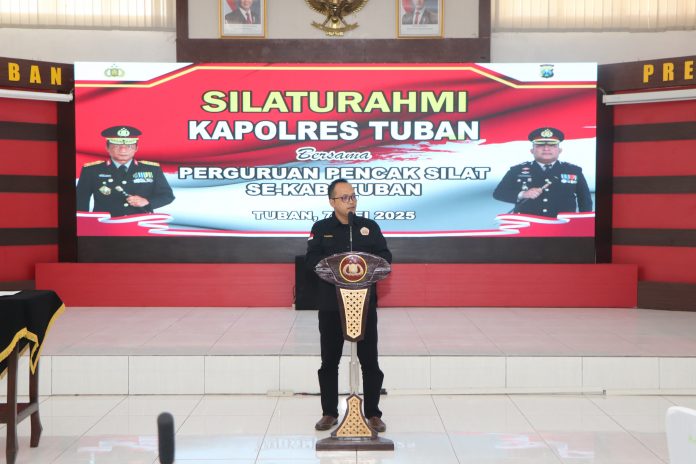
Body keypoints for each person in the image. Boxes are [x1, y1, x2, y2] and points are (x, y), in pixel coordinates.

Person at [305, 179, 392, 433]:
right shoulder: (321, 228)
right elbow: (311, 260)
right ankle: (329, 413)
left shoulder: (368, 227)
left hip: (363, 303)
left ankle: (373, 414)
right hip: (331, 304)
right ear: (332, 202)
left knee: (370, 361)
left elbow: (385, 257)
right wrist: (337, 264)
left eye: (353, 196)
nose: (351, 201)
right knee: (329, 361)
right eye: (344, 197)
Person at [76, 125, 175, 217]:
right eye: (116, 146)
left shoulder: (152, 169)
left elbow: (167, 196)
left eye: (129, 146)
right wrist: (83, 224)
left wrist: (147, 201)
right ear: (107, 148)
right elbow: (80, 200)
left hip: (141, 222)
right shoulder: (91, 170)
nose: (123, 150)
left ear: (136, 148)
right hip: (105, 224)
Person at [493, 127, 593, 217]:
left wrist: (584, 222)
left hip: (563, 224)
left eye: (552, 145)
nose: (546, 149)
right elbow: (498, 193)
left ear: (559, 150)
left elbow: (585, 199)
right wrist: (523, 194)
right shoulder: (517, 170)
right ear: (532, 150)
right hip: (527, 223)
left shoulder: (573, 170)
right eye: (540, 145)